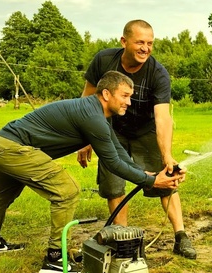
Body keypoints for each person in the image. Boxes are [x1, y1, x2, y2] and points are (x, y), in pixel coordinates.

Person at [0, 71, 184, 273]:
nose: (129, 103)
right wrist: (151, 182)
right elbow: (112, 162)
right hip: (12, 148)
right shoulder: (93, 116)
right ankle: (55, 259)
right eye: (125, 96)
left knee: (3, 197)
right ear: (106, 94)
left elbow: (117, 152)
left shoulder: (99, 114)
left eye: (130, 97)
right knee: (67, 191)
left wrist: (144, 174)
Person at [77, 19, 196, 259]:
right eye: (140, 42)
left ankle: (181, 235)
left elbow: (162, 117)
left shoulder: (157, 73)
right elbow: (87, 99)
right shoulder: (103, 60)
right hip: (110, 131)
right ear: (124, 42)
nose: (145, 48)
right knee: (113, 186)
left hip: (146, 131)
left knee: (166, 180)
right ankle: (122, 239)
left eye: (150, 43)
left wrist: (167, 156)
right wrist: (85, 137)